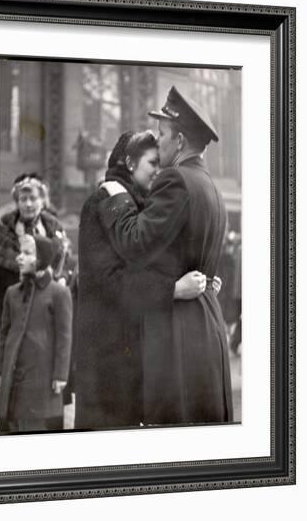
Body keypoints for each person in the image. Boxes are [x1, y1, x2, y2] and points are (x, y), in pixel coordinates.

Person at [99, 86, 233, 425]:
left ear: (181, 140)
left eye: (162, 134)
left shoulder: (175, 179)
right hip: (207, 327)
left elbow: (136, 242)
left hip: (177, 335)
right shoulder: (212, 189)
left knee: (171, 434)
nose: (157, 144)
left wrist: (116, 197)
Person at [75, 129, 216, 430]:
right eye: (152, 163)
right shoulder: (101, 202)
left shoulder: (138, 204)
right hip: (106, 360)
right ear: (129, 162)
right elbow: (110, 281)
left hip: (131, 357)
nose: (158, 171)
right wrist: (173, 290)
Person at [0, 234, 73, 433]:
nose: (19, 257)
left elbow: (64, 337)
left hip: (41, 379)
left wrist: (60, 375)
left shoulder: (59, 293)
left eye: (27, 253)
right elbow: (4, 336)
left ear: (42, 259)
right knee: (10, 428)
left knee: (36, 430)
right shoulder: (12, 293)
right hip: (12, 378)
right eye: (20, 252)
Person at [0, 174, 65, 342]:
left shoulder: (54, 229)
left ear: (42, 201)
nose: (28, 204)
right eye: (23, 199)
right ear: (17, 202)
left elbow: (59, 266)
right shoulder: (3, 230)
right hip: (9, 305)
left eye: (33, 198)